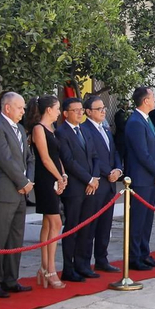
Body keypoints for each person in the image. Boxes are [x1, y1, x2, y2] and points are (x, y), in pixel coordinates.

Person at [0, 91, 36, 295]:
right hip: (4, 190)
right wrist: (22, 181)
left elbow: (29, 158)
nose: (23, 111)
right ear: (7, 108)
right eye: (20, 107)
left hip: (21, 190)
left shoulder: (20, 129)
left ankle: (10, 278)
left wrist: (29, 181)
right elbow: (4, 158)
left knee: (15, 236)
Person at [123, 87, 155, 269]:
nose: (154, 99)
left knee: (147, 219)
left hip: (150, 177)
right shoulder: (135, 122)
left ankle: (144, 252)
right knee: (138, 219)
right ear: (145, 101)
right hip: (141, 178)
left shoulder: (147, 120)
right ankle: (134, 257)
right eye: (152, 97)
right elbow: (142, 152)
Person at [55, 97, 96, 281]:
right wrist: (88, 179)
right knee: (72, 227)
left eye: (81, 109)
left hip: (90, 186)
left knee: (86, 227)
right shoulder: (62, 132)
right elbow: (68, 161)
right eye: (75, 110)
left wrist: (94, 178)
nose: (80, 113)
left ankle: (83, 264)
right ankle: (68, 268)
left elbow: (94, 156)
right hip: (74, 187)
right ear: (65, 114)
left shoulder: (84, 130)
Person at [28, 96, 67, 289]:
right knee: (55, 222)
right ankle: (50, 269)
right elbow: (44, 158)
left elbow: (56, 155)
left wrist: (63, 174)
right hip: (45, 180)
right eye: (58, 108)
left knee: (48, 224)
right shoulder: (38, 129)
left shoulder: (52, 130)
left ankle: (44, 268)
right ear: (49, 110)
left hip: (56, 176)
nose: (59, 112)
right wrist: (58, 178)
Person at [83, 95, 123, 275]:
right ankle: (84, 262)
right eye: (99, 109)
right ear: (88, 112)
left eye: (104, 108)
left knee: (105, 224)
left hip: (110, 184)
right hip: (97, 182)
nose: (103, 111)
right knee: (90, 225)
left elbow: (114, 152)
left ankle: (102, 258)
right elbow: (94, 157)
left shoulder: (105, 128)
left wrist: (118, 170)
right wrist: (108, 172)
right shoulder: (85, 129)